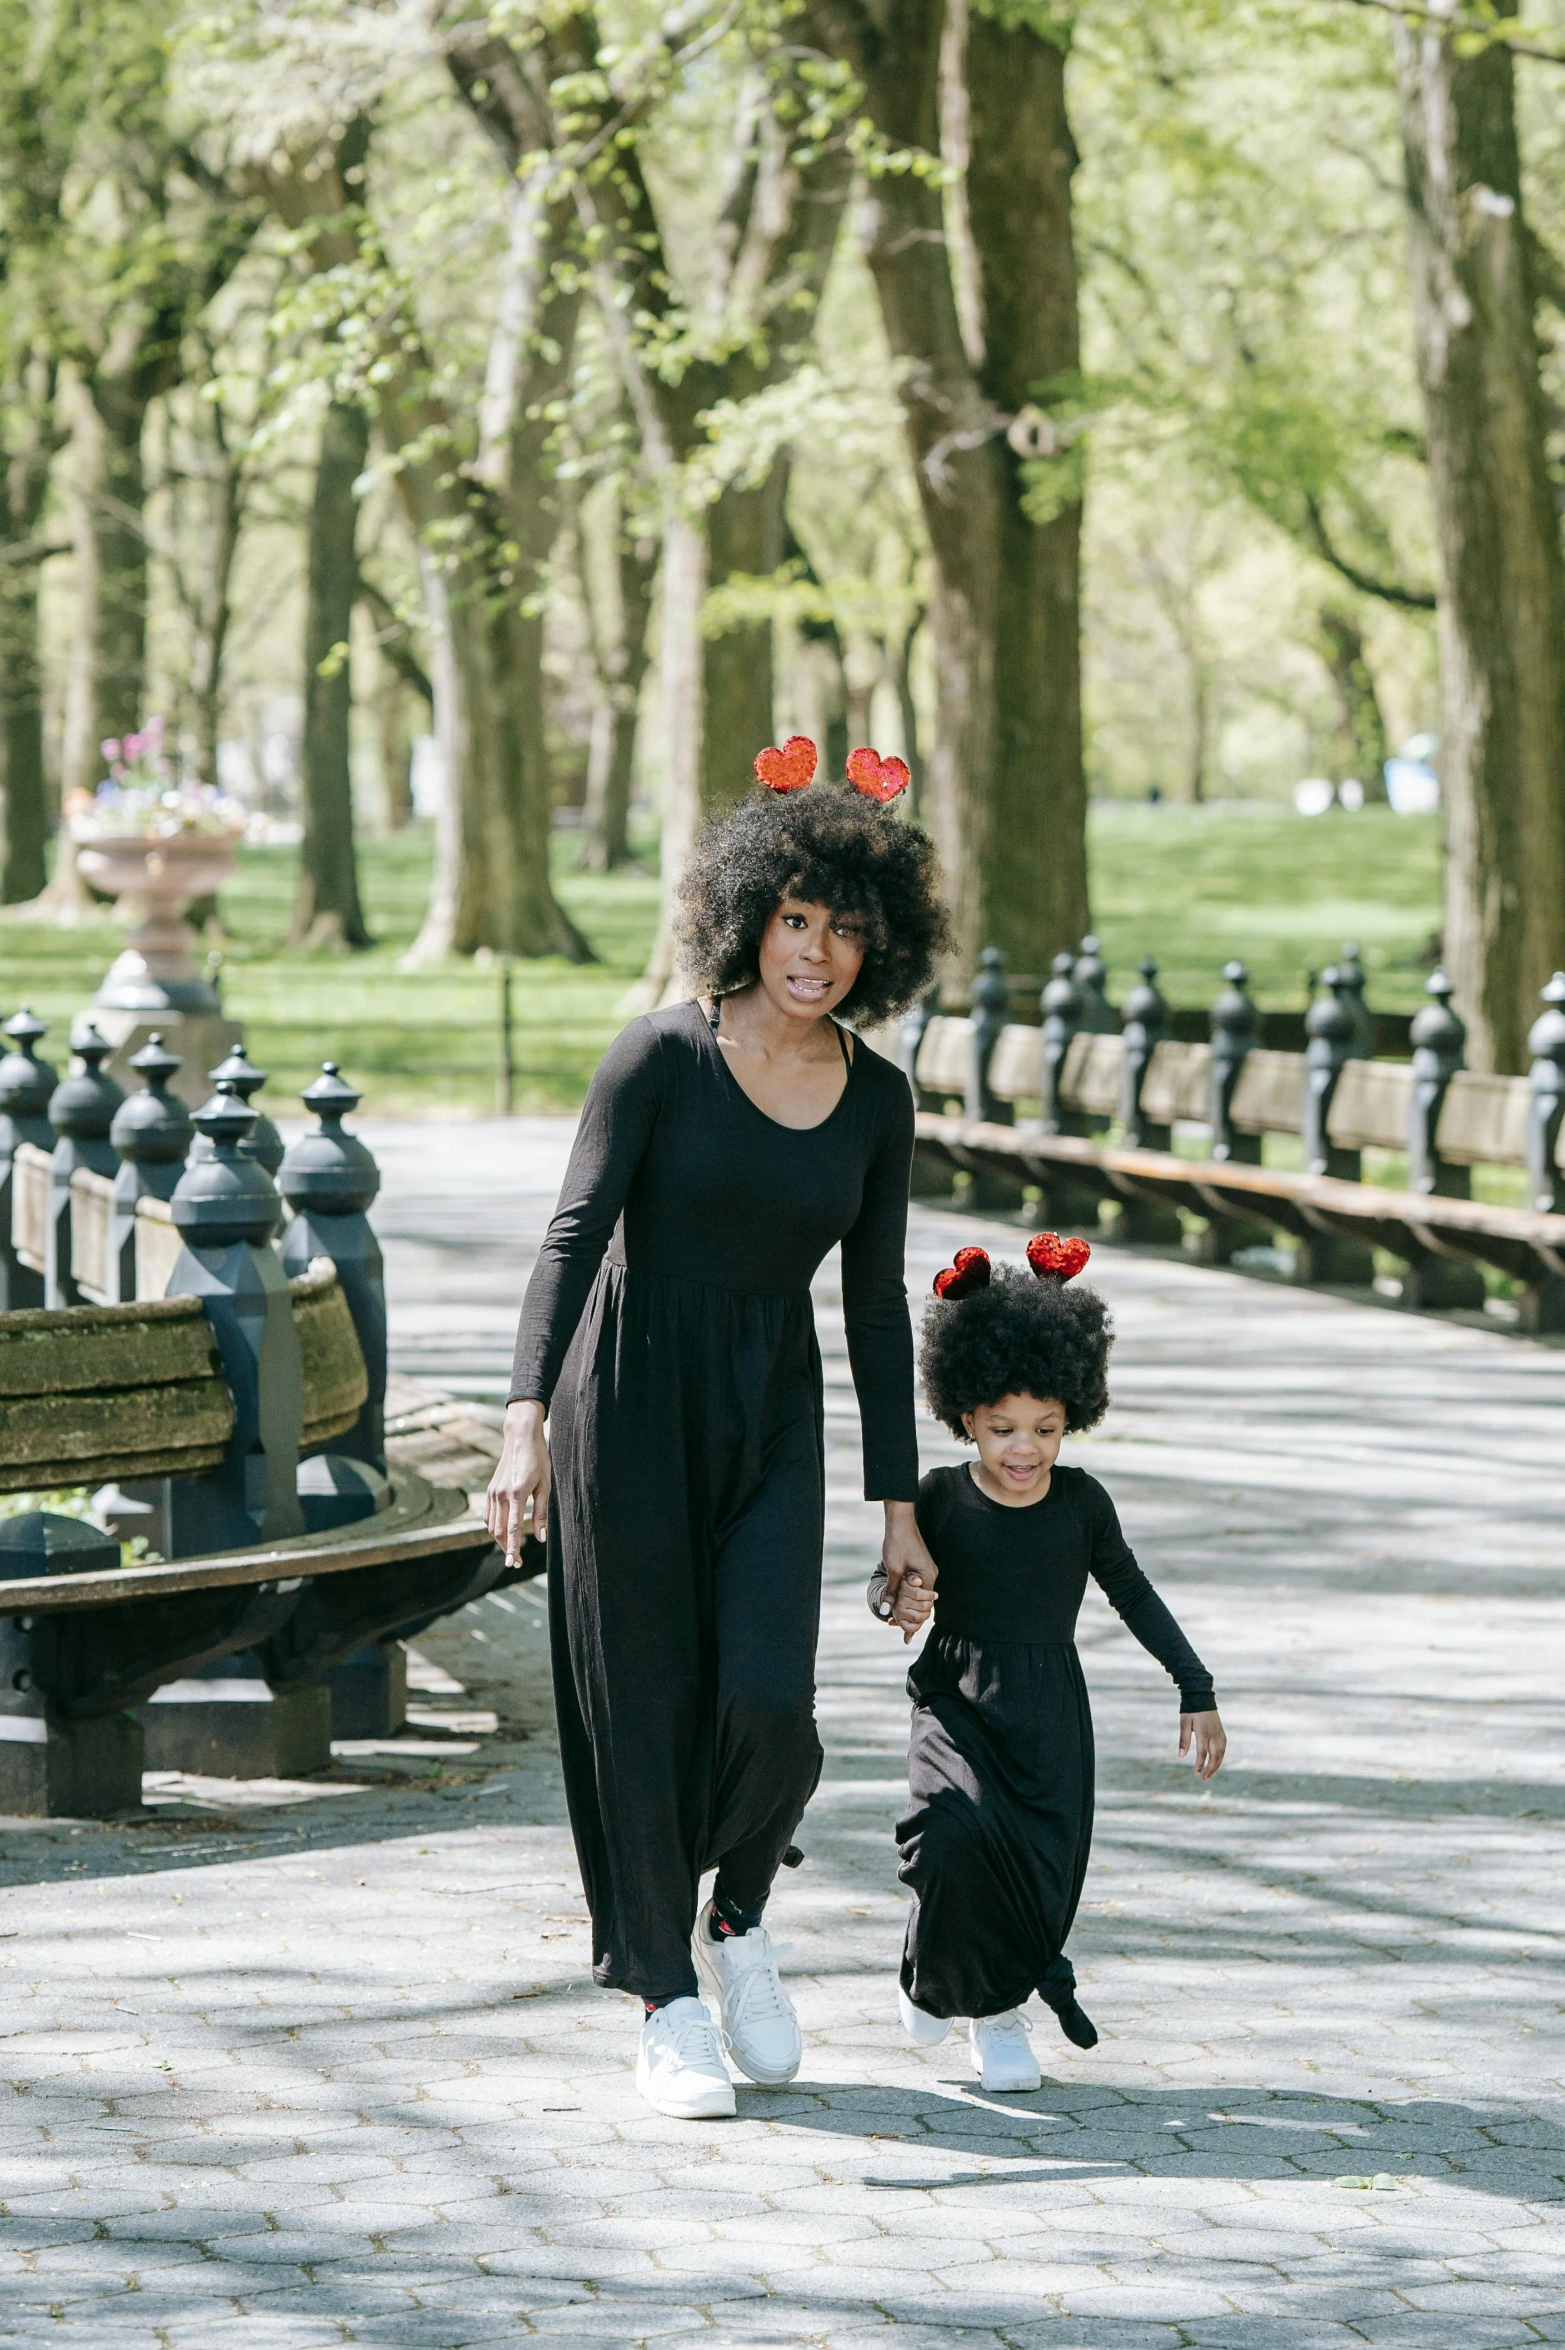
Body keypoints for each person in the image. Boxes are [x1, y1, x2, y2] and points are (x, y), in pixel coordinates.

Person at [487, 735, 950, 2120]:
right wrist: (524, 1427)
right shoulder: (657, 1056)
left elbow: (874, 1307)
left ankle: (738, 1916)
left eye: (843, 929)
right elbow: (570, 1240)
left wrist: (900, 1507)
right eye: (794, 918)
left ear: (881, 947)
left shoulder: (875, 1097)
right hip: (623, 1395)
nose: (813, 951)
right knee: (640, 1706)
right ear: (745, 913)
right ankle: (662, 1997)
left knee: (767, 1701)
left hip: (767, 1409)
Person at [871, 1234, 1225, 2093]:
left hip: (1047, 1711)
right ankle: (930, 1971)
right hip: (955, 1697)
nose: (1023, 1449)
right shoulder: (938, 1497)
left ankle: (997, 2020)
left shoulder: (1082, 1504)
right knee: (950, 1839)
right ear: (964, 1418)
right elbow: (887, 1581)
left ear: (1074, 1416)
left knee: (1031, 1874)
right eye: (1001, 1430)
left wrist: (1195, 1687)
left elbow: (1133, 1595)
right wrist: (898, 1601)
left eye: (1045, 1429)